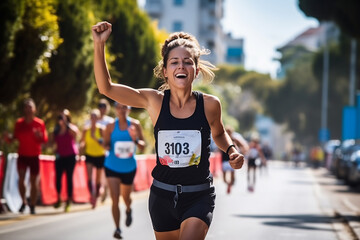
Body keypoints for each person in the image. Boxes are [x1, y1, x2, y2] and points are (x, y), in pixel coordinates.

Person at [92, 21, 244, 240]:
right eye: (174, 62)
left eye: (187, 62)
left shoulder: (210, 104)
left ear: (196, 70)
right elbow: (105, 88)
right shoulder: (154, 102)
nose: (181, 66)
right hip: (162, 196)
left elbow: (218, 133)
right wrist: (99, 45)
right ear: (165, 70)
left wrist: (231, 150)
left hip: (198, 196)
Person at [103, 102, 145, 239]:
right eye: (119, 107)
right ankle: (117, 229)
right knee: (115, 198)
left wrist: (135, 139)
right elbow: (106, 144)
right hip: (112, 166)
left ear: (129, 109)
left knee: (126, 198)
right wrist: (107, 146)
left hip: (129, 168)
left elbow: (143, 147)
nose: (122, 110)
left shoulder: (135, 125)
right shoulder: (109, 126)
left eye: (125, 107)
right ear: (115, 109)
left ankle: (128, 209)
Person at [11, 98, 48, 214]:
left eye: (30, 107)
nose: (28, 109)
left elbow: (44, 140)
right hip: (22, 155)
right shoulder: (19, 123)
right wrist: (7, 138)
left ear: (34, 109)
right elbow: (14, 138)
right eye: (26, 107)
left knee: (33, 181)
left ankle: (32, 204)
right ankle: (23, 202)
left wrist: (39, 136)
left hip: (34, 156)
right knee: (21, 179)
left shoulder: (39, 123)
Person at [51, 109, 79, 212]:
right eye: (60, 117)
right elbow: (51, 142)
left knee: (69, 178)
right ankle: (59, 198)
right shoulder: (56, 130)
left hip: (70, 156)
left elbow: (76, 134)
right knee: (58, 178)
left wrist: (66, 124)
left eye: (64, 117)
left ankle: (68, 201)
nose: (61, 119)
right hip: (59, 156)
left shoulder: (71, 128)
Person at [80, 109, 106, 209]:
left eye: (95, 117)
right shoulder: (86, 130)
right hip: (89, 155)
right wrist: (80, 150)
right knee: (89, 177)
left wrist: (94, 137)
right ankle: (92, 195)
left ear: (98, 118)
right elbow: (82, 142)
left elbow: (104, 144)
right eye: (92, 117)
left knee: (98, 179)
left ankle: (96, 196)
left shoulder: (101, 129)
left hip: (100, 155)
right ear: (90, 118)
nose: (93, 119)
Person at [221, 126, 249, 194]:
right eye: (227, 132)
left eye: (229, 132)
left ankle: (231, 184)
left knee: (232, 177)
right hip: (224, 160)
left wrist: (244, 151)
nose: (228, 133)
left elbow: (243, 145)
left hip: (232, 159)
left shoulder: (234, 139)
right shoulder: (222, 139)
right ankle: (228, 184)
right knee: (224, 179)